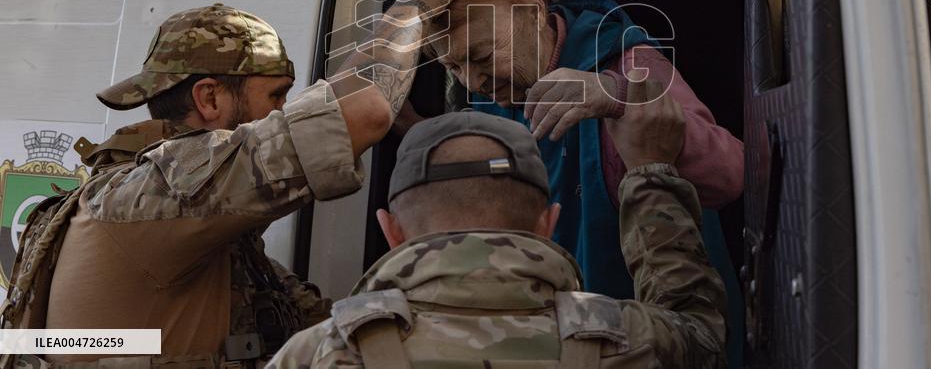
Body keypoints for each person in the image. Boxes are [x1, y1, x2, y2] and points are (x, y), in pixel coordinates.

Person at [0, 0, 493, 367]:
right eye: (276, 97)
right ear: (209, 99)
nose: (285, 112)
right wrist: (414, 6)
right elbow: (364, 112)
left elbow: (316, 327)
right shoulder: (159, 191)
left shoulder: (184, 207)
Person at [414, 0, 744, 362]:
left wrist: (620, 99)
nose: (472, 81)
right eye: (454, 68)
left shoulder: (629, 66)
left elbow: (732, 172)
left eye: (482, 55)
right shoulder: (491, 97)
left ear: (532, 10)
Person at [269, 77, 726, 368]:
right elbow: (702, 334)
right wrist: (650, 174)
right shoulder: (633, 340)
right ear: (548, 225)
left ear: (391, 233)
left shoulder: (317, 354)